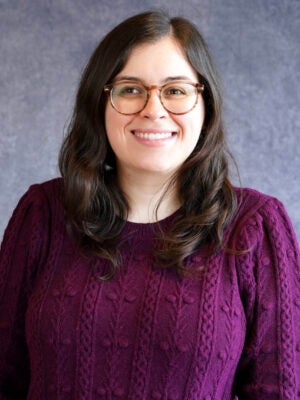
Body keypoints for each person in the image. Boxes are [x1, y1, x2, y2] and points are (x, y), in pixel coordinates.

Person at [0, 10, 299, 400]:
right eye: (130, 89)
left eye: (176, 90)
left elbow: (280, 392)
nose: (153, 109)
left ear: (205, 105)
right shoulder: (43, 213)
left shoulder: (255, 227)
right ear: (100, 103)